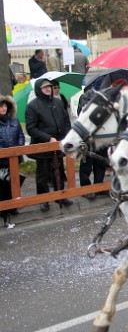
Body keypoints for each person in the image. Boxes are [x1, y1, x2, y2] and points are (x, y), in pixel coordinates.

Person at [25, 78, 73, 211]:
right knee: (43, 175)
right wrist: (48, 138)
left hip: (58, 145)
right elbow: (31, 128)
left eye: (49, 87)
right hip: (43, 147)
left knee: (59, 172)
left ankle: (60, 196)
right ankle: (43, 199)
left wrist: (66, 136)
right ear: (39, 90)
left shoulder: (57, 102)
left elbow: (66, 120)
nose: (48, 89)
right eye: (44, 87)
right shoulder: (33, 106)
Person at [0, 96, 25, 226]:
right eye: (0, 106)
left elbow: (20, 135)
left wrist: (18, 148)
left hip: (15, 158)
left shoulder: (14, 120)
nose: (3, 108)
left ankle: (13, 206)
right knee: (2, 184)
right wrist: (5, 152)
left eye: (4, 105)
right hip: (2, 160)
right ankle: (3, 208)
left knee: (14, 181)